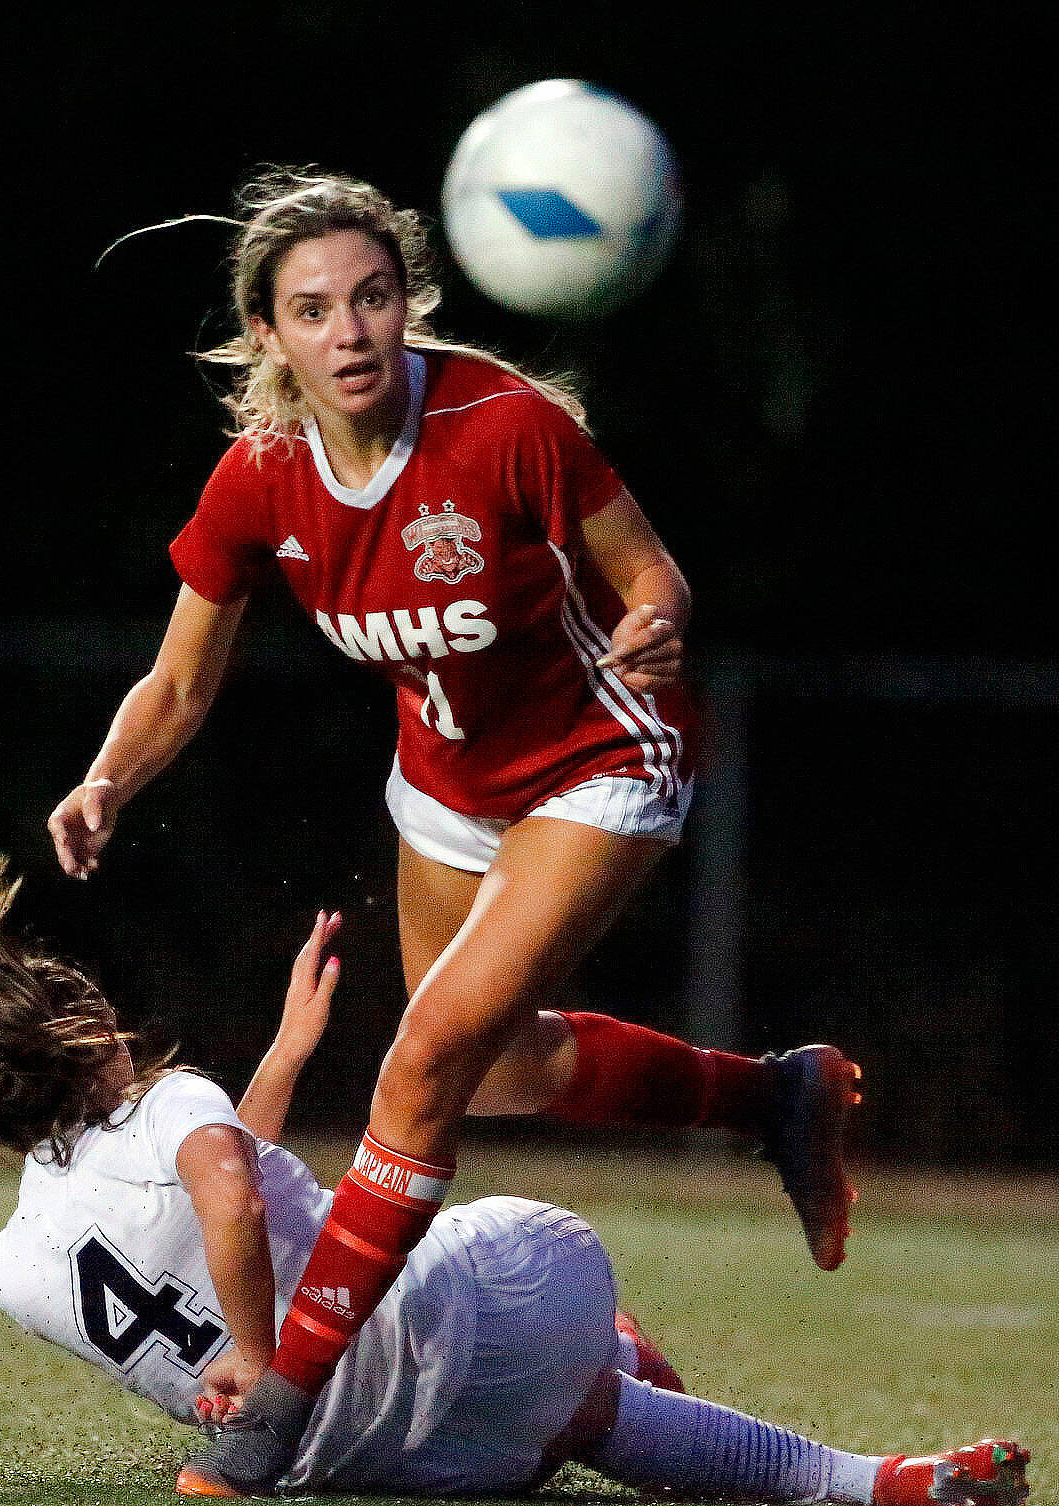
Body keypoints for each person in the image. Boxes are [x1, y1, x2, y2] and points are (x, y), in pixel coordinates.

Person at [46, 168, 863, 1489]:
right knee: (496, 1075)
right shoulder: (261, 479)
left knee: (422, 1058)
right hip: (446, 780)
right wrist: (105, 780)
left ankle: (280, 1406)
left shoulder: (505, 425)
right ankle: (776, 1092)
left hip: (607, 753)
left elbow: (650, 571)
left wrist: (658, 623)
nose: (351, 330)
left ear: (406, 304)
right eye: (315, 308)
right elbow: (181, 680)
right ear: (271, 335)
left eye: (373, 298)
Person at [0, 868, 1026, 1505]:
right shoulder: (173, 1114)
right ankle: (652, 1369)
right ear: (70, 1035)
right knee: (536, 1262)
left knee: (583, 1412)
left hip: (383, 1455)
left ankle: (866, 1484)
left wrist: (282, 1054)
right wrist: (256, 1351)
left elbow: (205, 1190)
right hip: (430, 1346)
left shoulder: (8, 1270)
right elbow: (224, 1189)